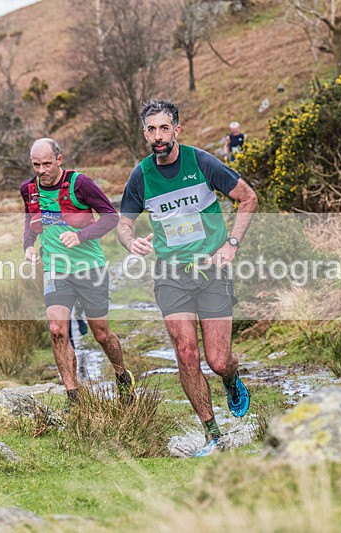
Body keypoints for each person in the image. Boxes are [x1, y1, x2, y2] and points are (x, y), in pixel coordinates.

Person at [118, 99, 258, 456]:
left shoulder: (201, 162)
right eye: (151, 129)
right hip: (170, 274)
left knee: (217, 359)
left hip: (212, 271)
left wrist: (231, 245)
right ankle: (213, 435)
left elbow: (247, 198)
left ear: (176, 130)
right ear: (144, 133)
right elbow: (124, 222)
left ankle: (231, 377)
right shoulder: (141, 175)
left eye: (164, 128)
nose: (158, 136)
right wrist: (130, 241)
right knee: (185, 353)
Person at [20, 138, 134, 407]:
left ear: (60, 160)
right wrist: (28, 246)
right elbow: (30, 220)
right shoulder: (29, 190)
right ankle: (75, 400)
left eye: (47, 163)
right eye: (36, 164)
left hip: (89, 267)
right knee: (57, 329)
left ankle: (122, 375)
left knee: (102, 334)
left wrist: (81, 236)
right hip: (55, 269)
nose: (41, 170)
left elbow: (110, 217)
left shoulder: (79, 184)